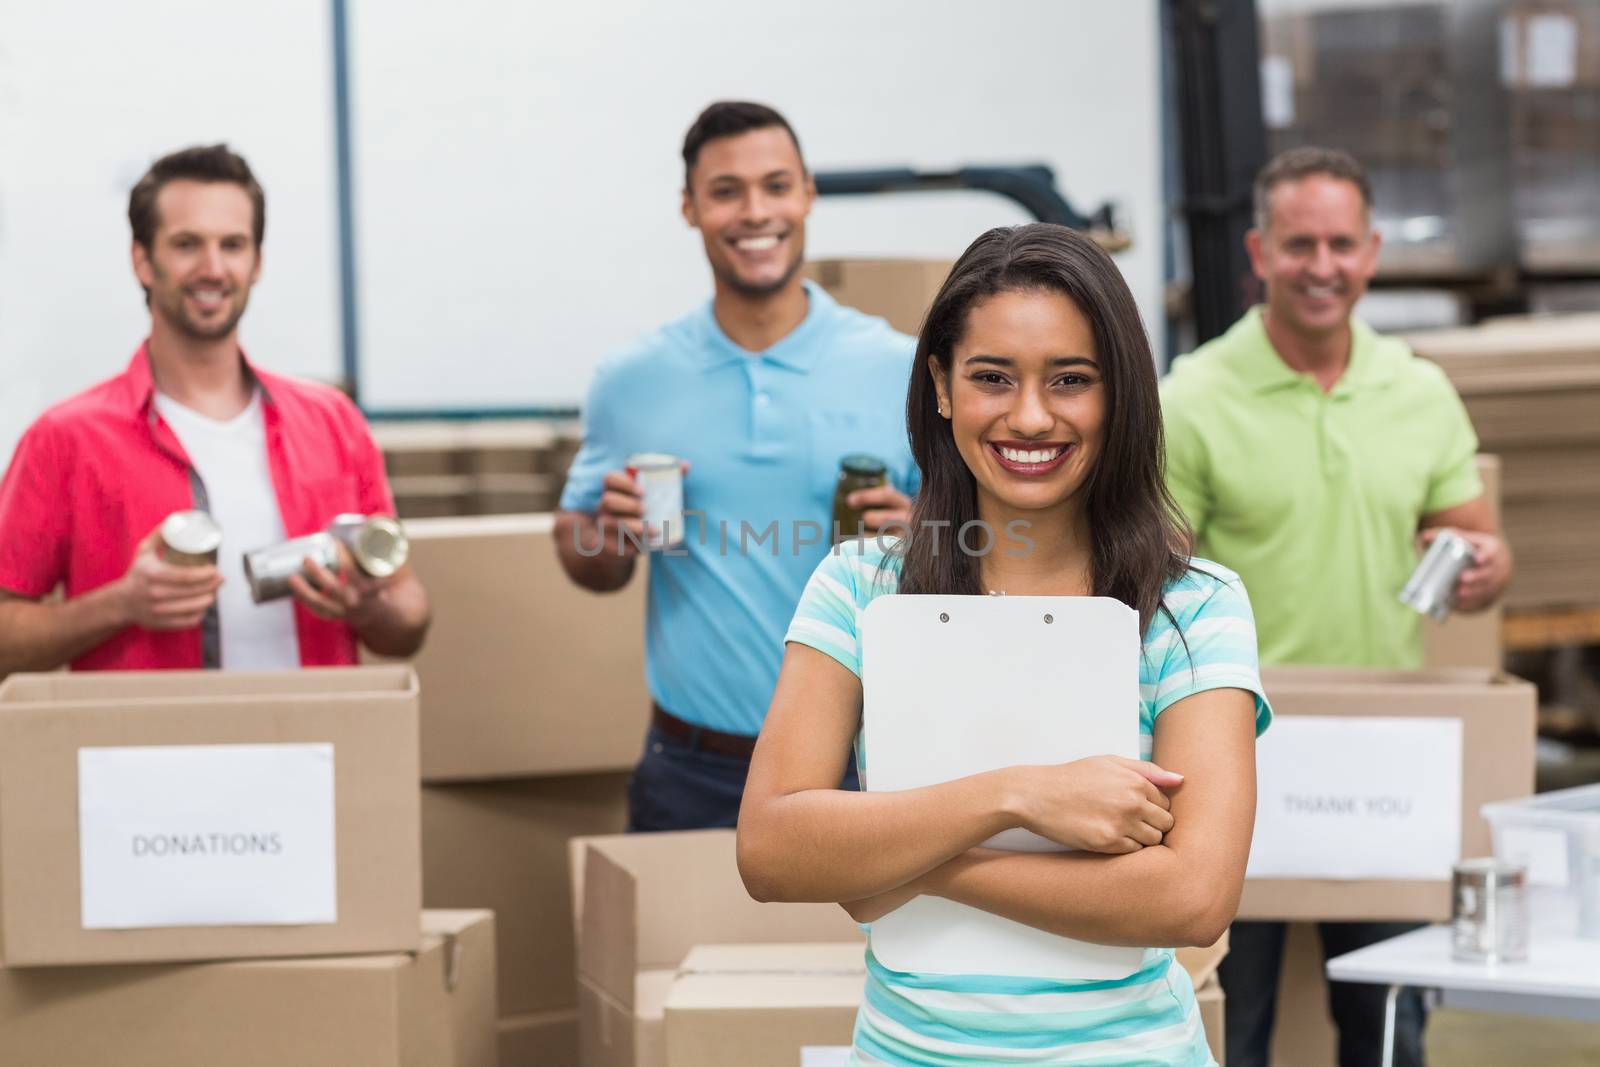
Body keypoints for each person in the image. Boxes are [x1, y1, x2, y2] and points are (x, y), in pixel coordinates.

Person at [737, 222, 1271, 1065]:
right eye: (992, 377)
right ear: (942, 386)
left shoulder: (1192, 607)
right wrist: (1019, 795)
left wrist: (906, 865)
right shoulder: (859, 587)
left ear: (1120, 393)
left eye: (1071, 379)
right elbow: (770, 849)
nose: (1031, 415)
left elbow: (1194, 897)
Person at [1160, 146, 1513, 1067]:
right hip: (1234, 753)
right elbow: (1150, 580)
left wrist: (1482, 564)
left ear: (1373, 251)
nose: (1323, 265)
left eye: (1342, 244)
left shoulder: (1419, 390)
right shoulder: (1194, 396)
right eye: (1300, 243)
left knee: (1387, 1023)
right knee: (1234, 1018)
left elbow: (1471, 532)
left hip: (1385, 754)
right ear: (1259, 251)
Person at [554, 101, 917, 832]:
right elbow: (580, 546)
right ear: (690, 208)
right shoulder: (631, 378)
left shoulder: (900, 368)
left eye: (776, 185)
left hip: (868, 764)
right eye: (726, 191)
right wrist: (607, 536)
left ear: (807, 193)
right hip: (692, 769)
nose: (756, 212)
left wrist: (928, 531)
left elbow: (982, 554)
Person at [0, 144, 429, 679]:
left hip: (313, 749)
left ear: (257, 262)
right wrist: (120, 605)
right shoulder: (65, 438)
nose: (213, 268)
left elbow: (409, 618)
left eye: (233, 245)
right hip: (142, 756)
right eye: (186, 245)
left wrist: (370, 606)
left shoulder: (332, 423)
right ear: (142, 260)